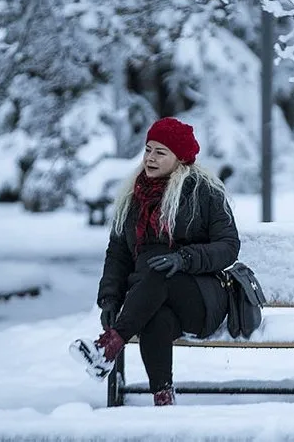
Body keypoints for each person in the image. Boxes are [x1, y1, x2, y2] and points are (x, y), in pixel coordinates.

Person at [69, 117, 240, 406]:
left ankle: (108, 347)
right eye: (148, 149)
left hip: (200, 300)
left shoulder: (204, 192)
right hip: (149, 299)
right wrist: (110, 300)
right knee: (154, 317)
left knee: (159, 270)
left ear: (180, 158)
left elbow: (228, 246)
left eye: (160, 152)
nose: (150, 158)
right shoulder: (132, 196)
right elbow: (118, 254)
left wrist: (184, 259)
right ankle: (163, 397)